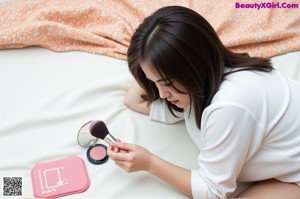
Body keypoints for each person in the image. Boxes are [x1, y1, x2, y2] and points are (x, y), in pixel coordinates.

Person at [107, 5, 300, 198]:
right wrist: (152, 58)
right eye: (153, 82)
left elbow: (212, 191)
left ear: (194, 64)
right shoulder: (201, 84)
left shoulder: (228, 106)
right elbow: (134, 100)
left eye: (166, 83)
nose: (162, 94)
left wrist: (149, 163)